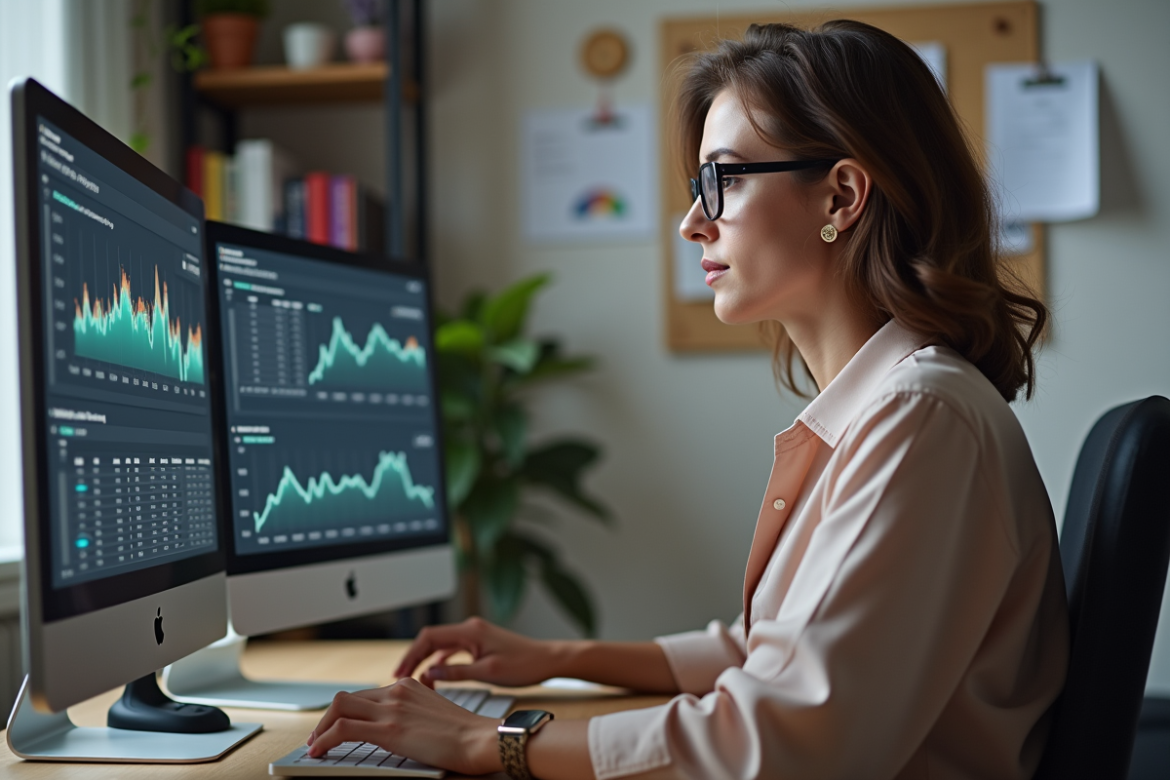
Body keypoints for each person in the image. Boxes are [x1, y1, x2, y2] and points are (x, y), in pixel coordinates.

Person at [305, 21, 1069, 780]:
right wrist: (553, 658)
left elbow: (784, 739)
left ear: (841, 194)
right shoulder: (891, 409)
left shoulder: (920, 419)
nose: (691, 220)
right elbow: (769, 653)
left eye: (722, 179)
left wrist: (489, 741)